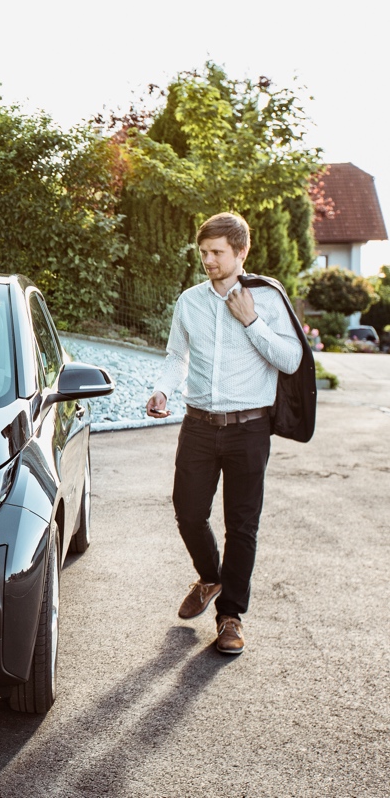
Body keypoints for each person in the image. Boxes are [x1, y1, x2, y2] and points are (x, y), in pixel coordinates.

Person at [146, 212, 302, 655]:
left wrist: (252, 320)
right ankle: (210, 575)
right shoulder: (189, 301)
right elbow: (176, 355)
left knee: (243, 525)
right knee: (188, 512)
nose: (208, 261)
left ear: (241, 253)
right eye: (204, 253)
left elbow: (290, 360)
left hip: (250, 429)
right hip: (198, 424)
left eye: (216, 253)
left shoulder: (268, 299)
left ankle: (230, 616)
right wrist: (162, 390)